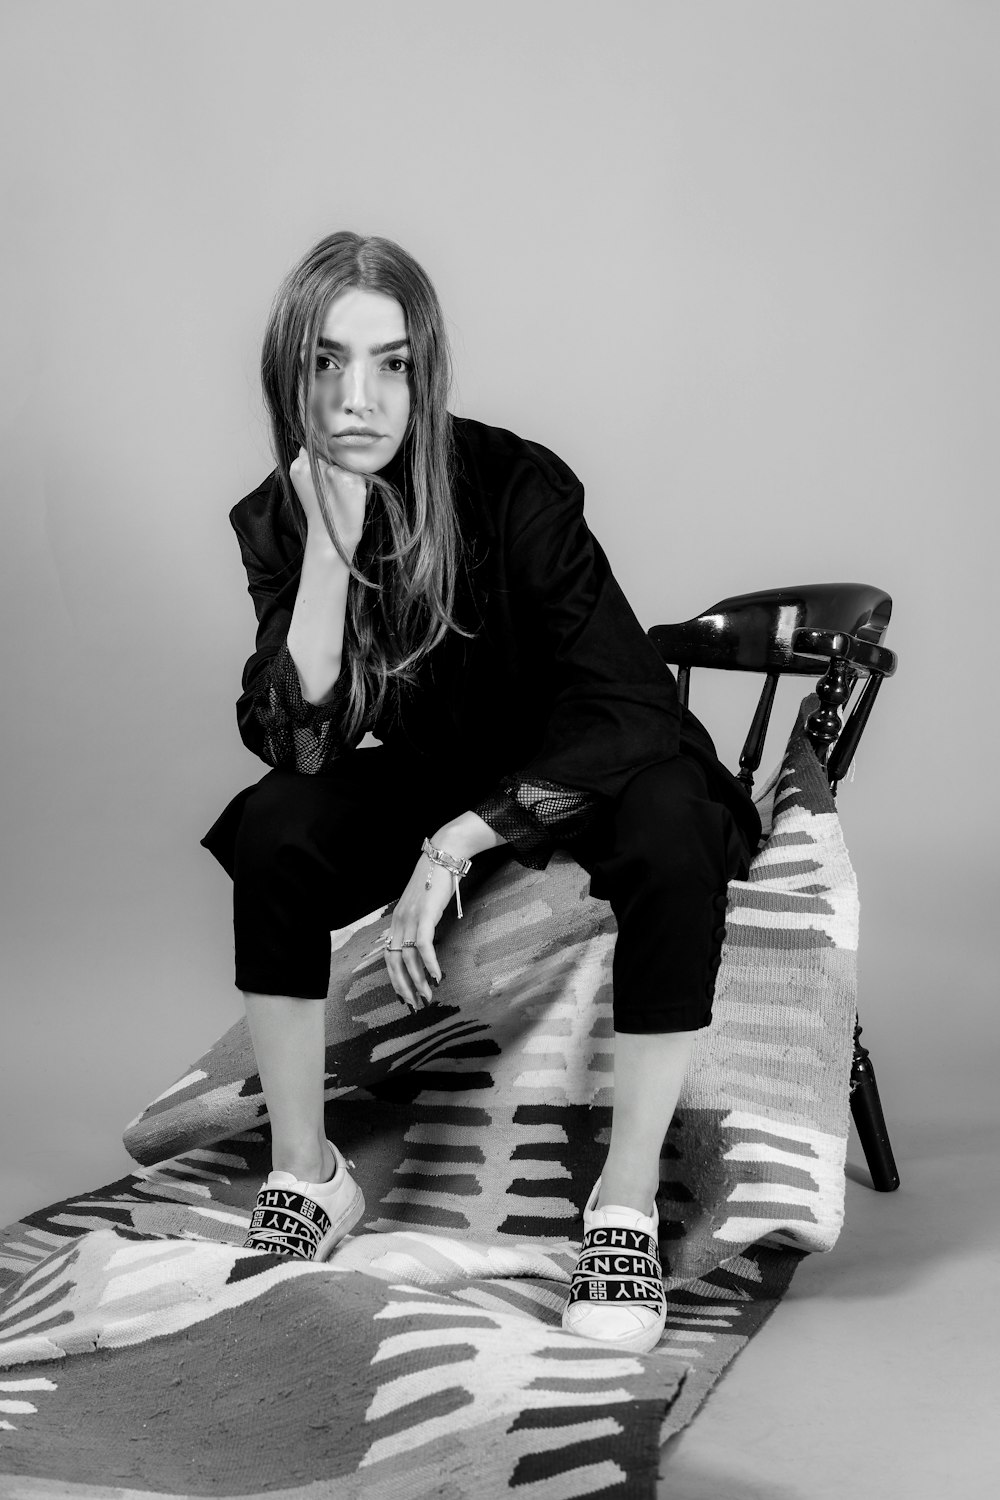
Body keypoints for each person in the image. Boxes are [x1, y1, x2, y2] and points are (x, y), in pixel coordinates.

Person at [200, 231, 761, 1355]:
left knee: (672, 825)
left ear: (426, 370)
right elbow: (296, 749)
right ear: (288, 374)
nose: (358, 397)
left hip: (587, 764)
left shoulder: (515, 485)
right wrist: (325, 552)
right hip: (438, 774)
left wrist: (456, 842)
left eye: (391, 363)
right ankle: (306, 1175)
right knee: (275, 828)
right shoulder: (279, 516)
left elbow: (632, 706)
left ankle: (624, 1207)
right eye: (326, 362)